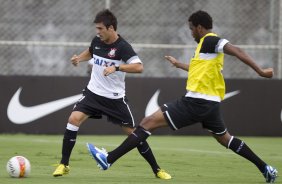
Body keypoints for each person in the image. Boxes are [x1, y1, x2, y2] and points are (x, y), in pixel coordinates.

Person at [87, 10, 278, 183]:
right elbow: (199, 69)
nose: (191, 33)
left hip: (197, 101)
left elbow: (237, 50)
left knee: (147, 123)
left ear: (200, 27)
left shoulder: (210, 40)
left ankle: (108, 159)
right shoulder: (204, 47)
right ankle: (266, 169)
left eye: (191, 29)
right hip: (210, 104)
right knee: (226, 139)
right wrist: (179, 65)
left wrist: (260, 71)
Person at [52, 9, 171, 180]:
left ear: (111, 28)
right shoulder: (97, 40)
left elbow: (139, 67)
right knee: (73, 120)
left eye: (100, 29)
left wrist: (117, 67)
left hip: (115, 99)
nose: (97, 32)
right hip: (93, 94)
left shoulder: (123, 47)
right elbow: (91, 51)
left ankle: (157, 169)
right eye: (97, 29)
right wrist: (79, 58)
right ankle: (64, 164)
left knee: (135, 134)